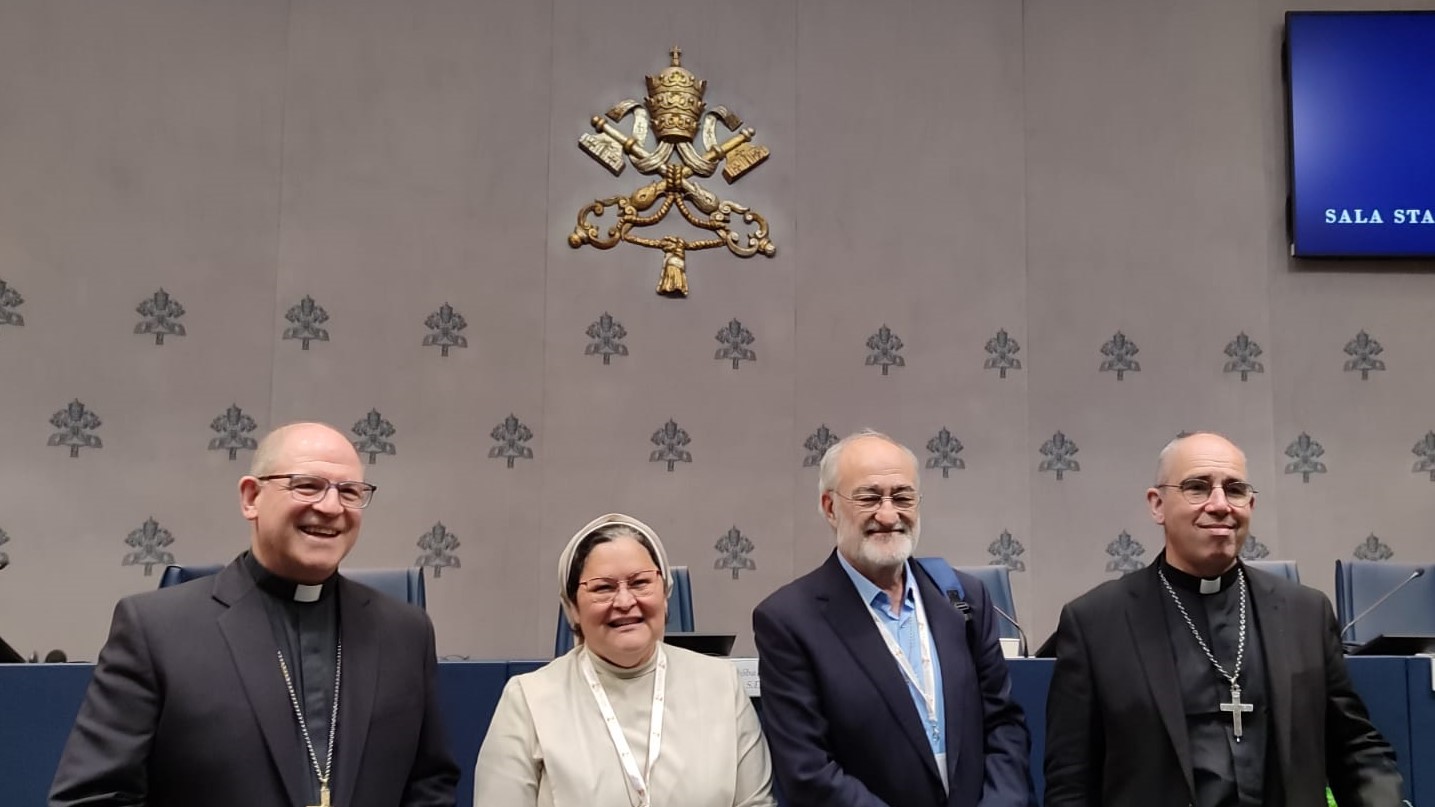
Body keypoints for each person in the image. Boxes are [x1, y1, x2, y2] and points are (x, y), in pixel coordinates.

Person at [50, 422, 459, 807]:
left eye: (349, 492)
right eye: (307, 486)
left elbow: (429, 785)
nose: (332, 506)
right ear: (251, 498)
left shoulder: (406, 633)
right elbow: (94, 799)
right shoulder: (156, 629)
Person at [1044, 431, 1404, 807]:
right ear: (1157, 505)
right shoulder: (1096, 623)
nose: (1219, 505)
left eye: (1234, 489)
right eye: (1197, 487)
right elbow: (1070, 783)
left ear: (1250, 503)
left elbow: (1356, 749)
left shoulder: (1306, 614)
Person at [752, 429, 1034, 807]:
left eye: (902, 497)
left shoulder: (965, 599)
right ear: (830, 507)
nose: (888, 515)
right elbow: (809, 770)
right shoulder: (789, 620)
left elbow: (1004, 726)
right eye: (869, 497)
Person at [474, 513, 775, 807]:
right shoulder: (528, 698)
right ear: (573, 608)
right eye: (603, 588)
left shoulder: (722, 684)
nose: (625, 601)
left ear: (665, 592)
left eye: (640, 583)